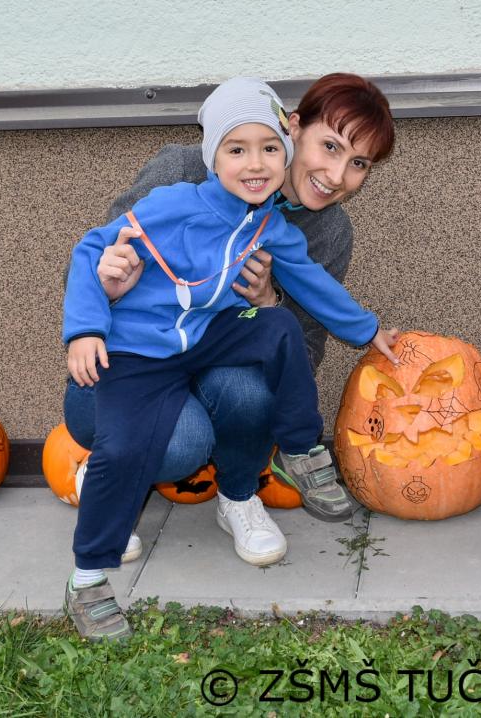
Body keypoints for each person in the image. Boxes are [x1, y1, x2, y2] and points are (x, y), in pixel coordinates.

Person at [61, 77, 398, 640]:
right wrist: (88, 325)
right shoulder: (175, 194)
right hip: (138, 349)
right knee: (134, 446)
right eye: (237, 150)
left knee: (278, 326)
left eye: (267, 151)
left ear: (282, 149)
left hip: (203, 340)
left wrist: (367, 329)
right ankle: (89, 575)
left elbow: (313, 288)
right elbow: (95, 248)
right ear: (213, 156)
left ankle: (300, 452)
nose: (255, 164)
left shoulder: (274, 224)